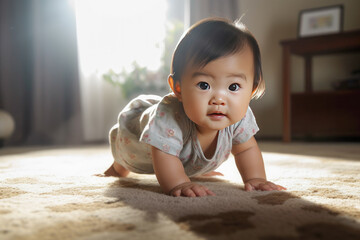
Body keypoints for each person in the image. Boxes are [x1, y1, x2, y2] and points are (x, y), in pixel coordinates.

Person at [104, 18, 286, 197]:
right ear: (178, 88)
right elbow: (164, 157)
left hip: (185, 159)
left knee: (185, 162)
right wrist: (180, 182)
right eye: (204, 85)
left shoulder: (241, 117)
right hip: (134, 144)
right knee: (124, 160)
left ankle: (190, 167)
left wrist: (256, 178)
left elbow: (246, 149)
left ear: (251, 90)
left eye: (233, 87)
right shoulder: (170, 117)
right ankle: (116, 168)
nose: (219, 99)